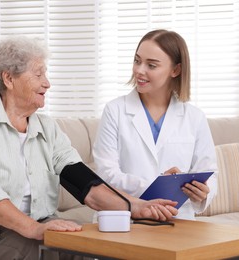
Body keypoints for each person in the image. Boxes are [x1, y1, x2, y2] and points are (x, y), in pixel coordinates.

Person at [0, 35, 178, 260]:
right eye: (38, 74)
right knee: (35, 249)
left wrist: (133, 206)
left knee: (83, 243)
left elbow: (82, 181)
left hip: (28, 225)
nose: (47, 83)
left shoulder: (47, 128)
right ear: (8, 78)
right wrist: (35, 229)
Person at [93, 29, 218, 220]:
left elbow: (209, 172)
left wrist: (202, 192)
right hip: (126, 218)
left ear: (175, 70)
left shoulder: (194, 117)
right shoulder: (115, 111)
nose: (139, 70)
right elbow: (106, 174)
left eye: (151, 65)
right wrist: (161, 184)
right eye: (137, 61)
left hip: (177, 218)